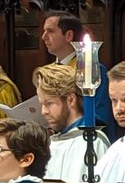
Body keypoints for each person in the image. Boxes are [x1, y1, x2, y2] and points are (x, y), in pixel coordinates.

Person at [34, 63, 109, 183]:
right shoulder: (51, 141)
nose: (43, 111)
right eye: (41, 104)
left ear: (71, 100)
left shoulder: (91, 142)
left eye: (49, 103)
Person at [40, 10, 115, 138]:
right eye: (44, 31)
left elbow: (100, 116)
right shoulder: (47, 71)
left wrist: (61, 127)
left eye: (50, 31)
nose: (43, 37)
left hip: (85, 140)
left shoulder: (92, 69)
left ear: (68, 35)